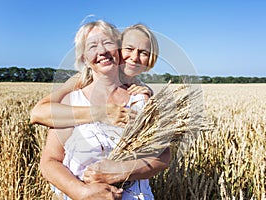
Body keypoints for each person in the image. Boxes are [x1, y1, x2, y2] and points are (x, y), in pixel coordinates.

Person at [40, 20, 170, 199]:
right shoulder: (71, 100)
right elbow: (50, 161)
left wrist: (121, 171)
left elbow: (163, 156)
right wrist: (81, 191)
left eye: (108, 43)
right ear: (84, 57)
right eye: (92, 45)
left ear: (117, 49)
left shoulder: (142, 99)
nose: (102, 51)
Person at [30, 23, 158, 128]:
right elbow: (38, 113)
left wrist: (149, 95)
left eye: (143, 53)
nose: (134, 58)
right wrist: (101, 113)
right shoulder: (85, 77)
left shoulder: (141, 91)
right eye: (129, 49)